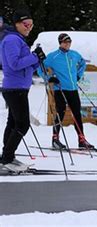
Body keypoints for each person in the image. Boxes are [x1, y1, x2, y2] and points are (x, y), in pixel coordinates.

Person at [0, 9, 44, 167]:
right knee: (23, 124)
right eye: (26, 24)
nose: (28, 28)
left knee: (13, 124)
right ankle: (7, 157)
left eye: (31, 25)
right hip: (14, 88)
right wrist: (33, 56)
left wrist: (37, 60)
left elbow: (25, 69)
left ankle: (7, 157)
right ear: (17, 23)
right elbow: (15, 64)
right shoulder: (12, 39)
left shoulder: (17, 39)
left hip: (18, 87)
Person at [38, 33, 93, 149]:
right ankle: (55, 139)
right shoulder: (53, 56)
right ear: (60, 43)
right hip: (60, 89)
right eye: (65, 42)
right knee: (60, 113)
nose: (67, 44)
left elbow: (83, 63)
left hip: (73, 89)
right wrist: (48, 78)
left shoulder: (74, 54)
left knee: (77, 114)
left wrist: (78, 75)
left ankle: (82, 140)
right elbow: (40, 67)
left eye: (69, 42)